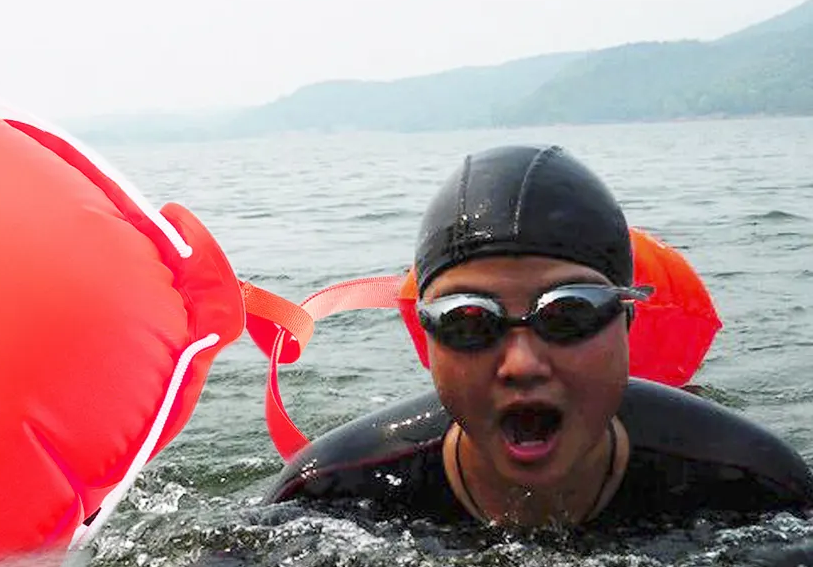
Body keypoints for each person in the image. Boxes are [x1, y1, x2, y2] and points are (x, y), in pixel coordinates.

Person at [267, 144, 813, 528]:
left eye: (569, 314)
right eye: (468, 322)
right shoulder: (326, 494)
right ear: (429, 342)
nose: (522, 363)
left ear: (628, 322)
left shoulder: (758, 488)